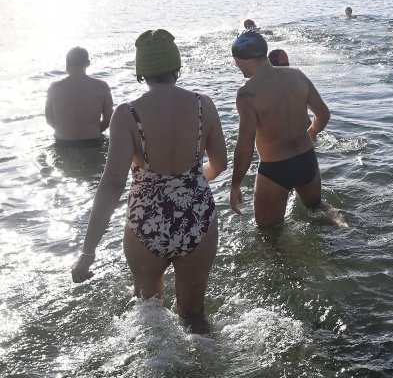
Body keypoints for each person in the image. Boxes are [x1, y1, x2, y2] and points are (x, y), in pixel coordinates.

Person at [71, 30, 227, 334]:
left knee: (148, 314)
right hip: (197, 217)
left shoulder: (127, 114)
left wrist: (88, 252)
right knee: (195, 317)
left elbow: (113, 182)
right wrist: (189, 184)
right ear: (176, 66)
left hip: (146, 222)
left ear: (141, 71)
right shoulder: (202, 105)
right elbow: (219, 164)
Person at [230, 30, 332, 228]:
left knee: (268, 234)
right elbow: (323, 115)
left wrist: (235, 184)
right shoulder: (297, 76)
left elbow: (245, 145)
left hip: (275, 169)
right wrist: (309, 134)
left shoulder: (247, 93)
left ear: (244, 59)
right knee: (317, 209)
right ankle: (350, 233)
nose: (236, 66)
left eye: (235, 61)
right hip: (306, 160)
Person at [46, 47, 114, 146]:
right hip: (92, 141)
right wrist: (96, 131)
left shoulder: (54, 87)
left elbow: (49, 119)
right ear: (88, 63)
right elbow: (109, 118)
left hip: (63, 143)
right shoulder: (101, 86)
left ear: (67, 64)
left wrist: (63, 131)